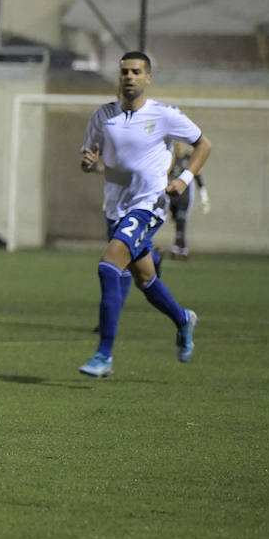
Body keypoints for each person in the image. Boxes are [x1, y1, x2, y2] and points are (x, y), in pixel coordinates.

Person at [76, 51, 212, 378]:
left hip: (149, 204)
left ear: (148, 78)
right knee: (144, 279)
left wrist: (184, 179)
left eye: (137, 71)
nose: (130, 76)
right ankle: (183, 319)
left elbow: (203, 144)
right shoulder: (102, 116)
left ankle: (103, 355)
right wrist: (88, 163)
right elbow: (88, 158)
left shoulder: (164, 115)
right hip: (115, 207)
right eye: (125, 71)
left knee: (109, 266)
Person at [166, 140, 211, 260]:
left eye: (180, 144)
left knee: (181, 219)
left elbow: (198, 176)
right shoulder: (171, 158)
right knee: (175, 219)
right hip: (171, 195)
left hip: (184, 195)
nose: (178, 147)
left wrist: (204, 196)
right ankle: (180, 246)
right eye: (176, 145)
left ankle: (179, 247)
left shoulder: (190, 158)